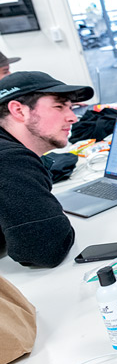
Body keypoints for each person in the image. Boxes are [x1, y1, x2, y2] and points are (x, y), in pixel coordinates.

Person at [0, 71, 94, 267]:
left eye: (71, 108)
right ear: (19, 111)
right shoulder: (9, 158)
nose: (73, 118)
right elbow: (46, 250)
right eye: (59, 106)